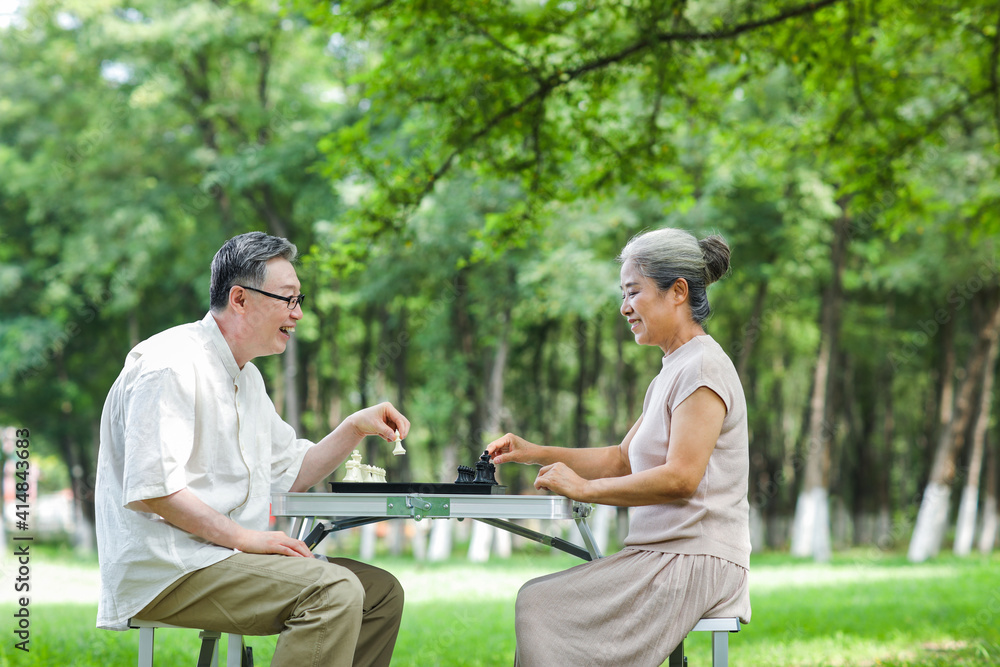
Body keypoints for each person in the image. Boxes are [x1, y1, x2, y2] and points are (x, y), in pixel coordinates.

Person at [95, 231, 409, 667]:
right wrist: (246, 538)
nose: (297, 314)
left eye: (300, 300)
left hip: (223, 557)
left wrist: (355, 427)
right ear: (240, 298)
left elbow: (291, 470)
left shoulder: (248, 379)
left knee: (380, 593)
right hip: (170, 568)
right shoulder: (168, 364)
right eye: (288, 299)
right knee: (333, 591)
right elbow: (154, 489)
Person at [487, 228, 751, 666]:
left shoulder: (702, 367)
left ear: (678, 292)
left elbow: (682, 478)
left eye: (633, 292)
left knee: (541, 604)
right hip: (664, 553)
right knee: (538, 600)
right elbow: (621, 459)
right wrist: (533, 451)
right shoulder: (674, 368)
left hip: (693, 558)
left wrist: (584, 490)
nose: (624, 307)